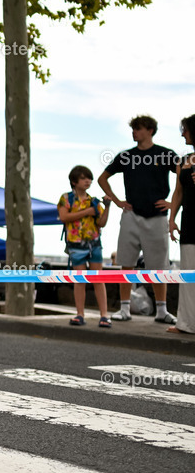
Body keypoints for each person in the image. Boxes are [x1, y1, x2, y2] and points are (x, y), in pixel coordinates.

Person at [98, 115, 179, 323]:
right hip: (131, 216)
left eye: (138, 129)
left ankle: (162, 311)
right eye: (133, 129)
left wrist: (173, 203)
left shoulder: (166, 154)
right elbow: (102, 178)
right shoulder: (126, 156)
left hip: (157, 217)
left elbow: (184, 175)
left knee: (159, 266)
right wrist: (117, 201)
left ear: (150, 130)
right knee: (126, 263)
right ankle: (124, 309)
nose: (134, 132)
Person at [59, 165, 112, 327]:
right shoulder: (66, 198)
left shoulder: (94, 201)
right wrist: (86, 212)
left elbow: (101, 223)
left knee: (98, 278)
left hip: (94, 243)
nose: (87, 181)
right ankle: (80, 313)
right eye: (83, 178)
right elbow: (63, 217)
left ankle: (104, 315)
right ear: (74, 181)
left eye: (89, 178)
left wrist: (107, 207)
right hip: (75, 244)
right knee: (80, 279)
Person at [168, 114, 195, 335]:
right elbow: (178, 192)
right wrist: (171, 219)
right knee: (188, 275)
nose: (182, 134)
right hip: (190, 224)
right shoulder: (184, 160)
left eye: (185, 129)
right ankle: (186, 323)